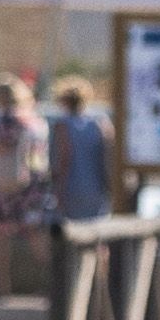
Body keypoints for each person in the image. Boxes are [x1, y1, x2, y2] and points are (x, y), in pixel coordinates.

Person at [0, 77, 52, 296]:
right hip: (35, 187)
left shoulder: (2, 124)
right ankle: (54, 283)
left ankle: (2, 287)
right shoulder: (37, 123)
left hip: (7, 188)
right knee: (36, 235)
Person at [50, 77, 113, 225]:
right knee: (99, 234)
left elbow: (63, 158)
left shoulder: (62, 125)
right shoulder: (101, 122)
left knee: (72, 236)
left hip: (71, 188)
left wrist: (58, 189)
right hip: (98, 187)